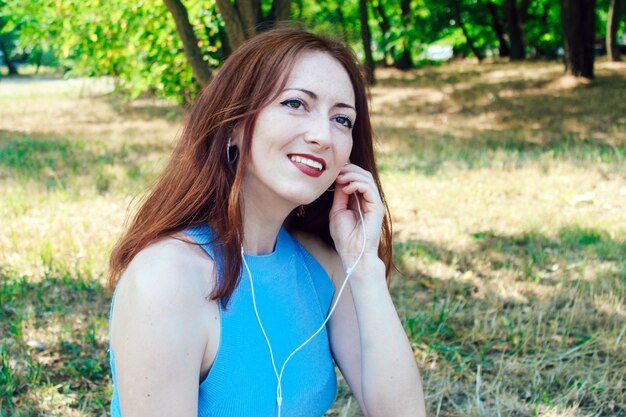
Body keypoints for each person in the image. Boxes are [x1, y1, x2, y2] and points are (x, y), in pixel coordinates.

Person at [107, 27, 426, 417]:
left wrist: (364, 269)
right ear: (234, 125)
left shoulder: (321, 264)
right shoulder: (167, 278)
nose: (323, 136)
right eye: (295, 104)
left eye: (342, 119)